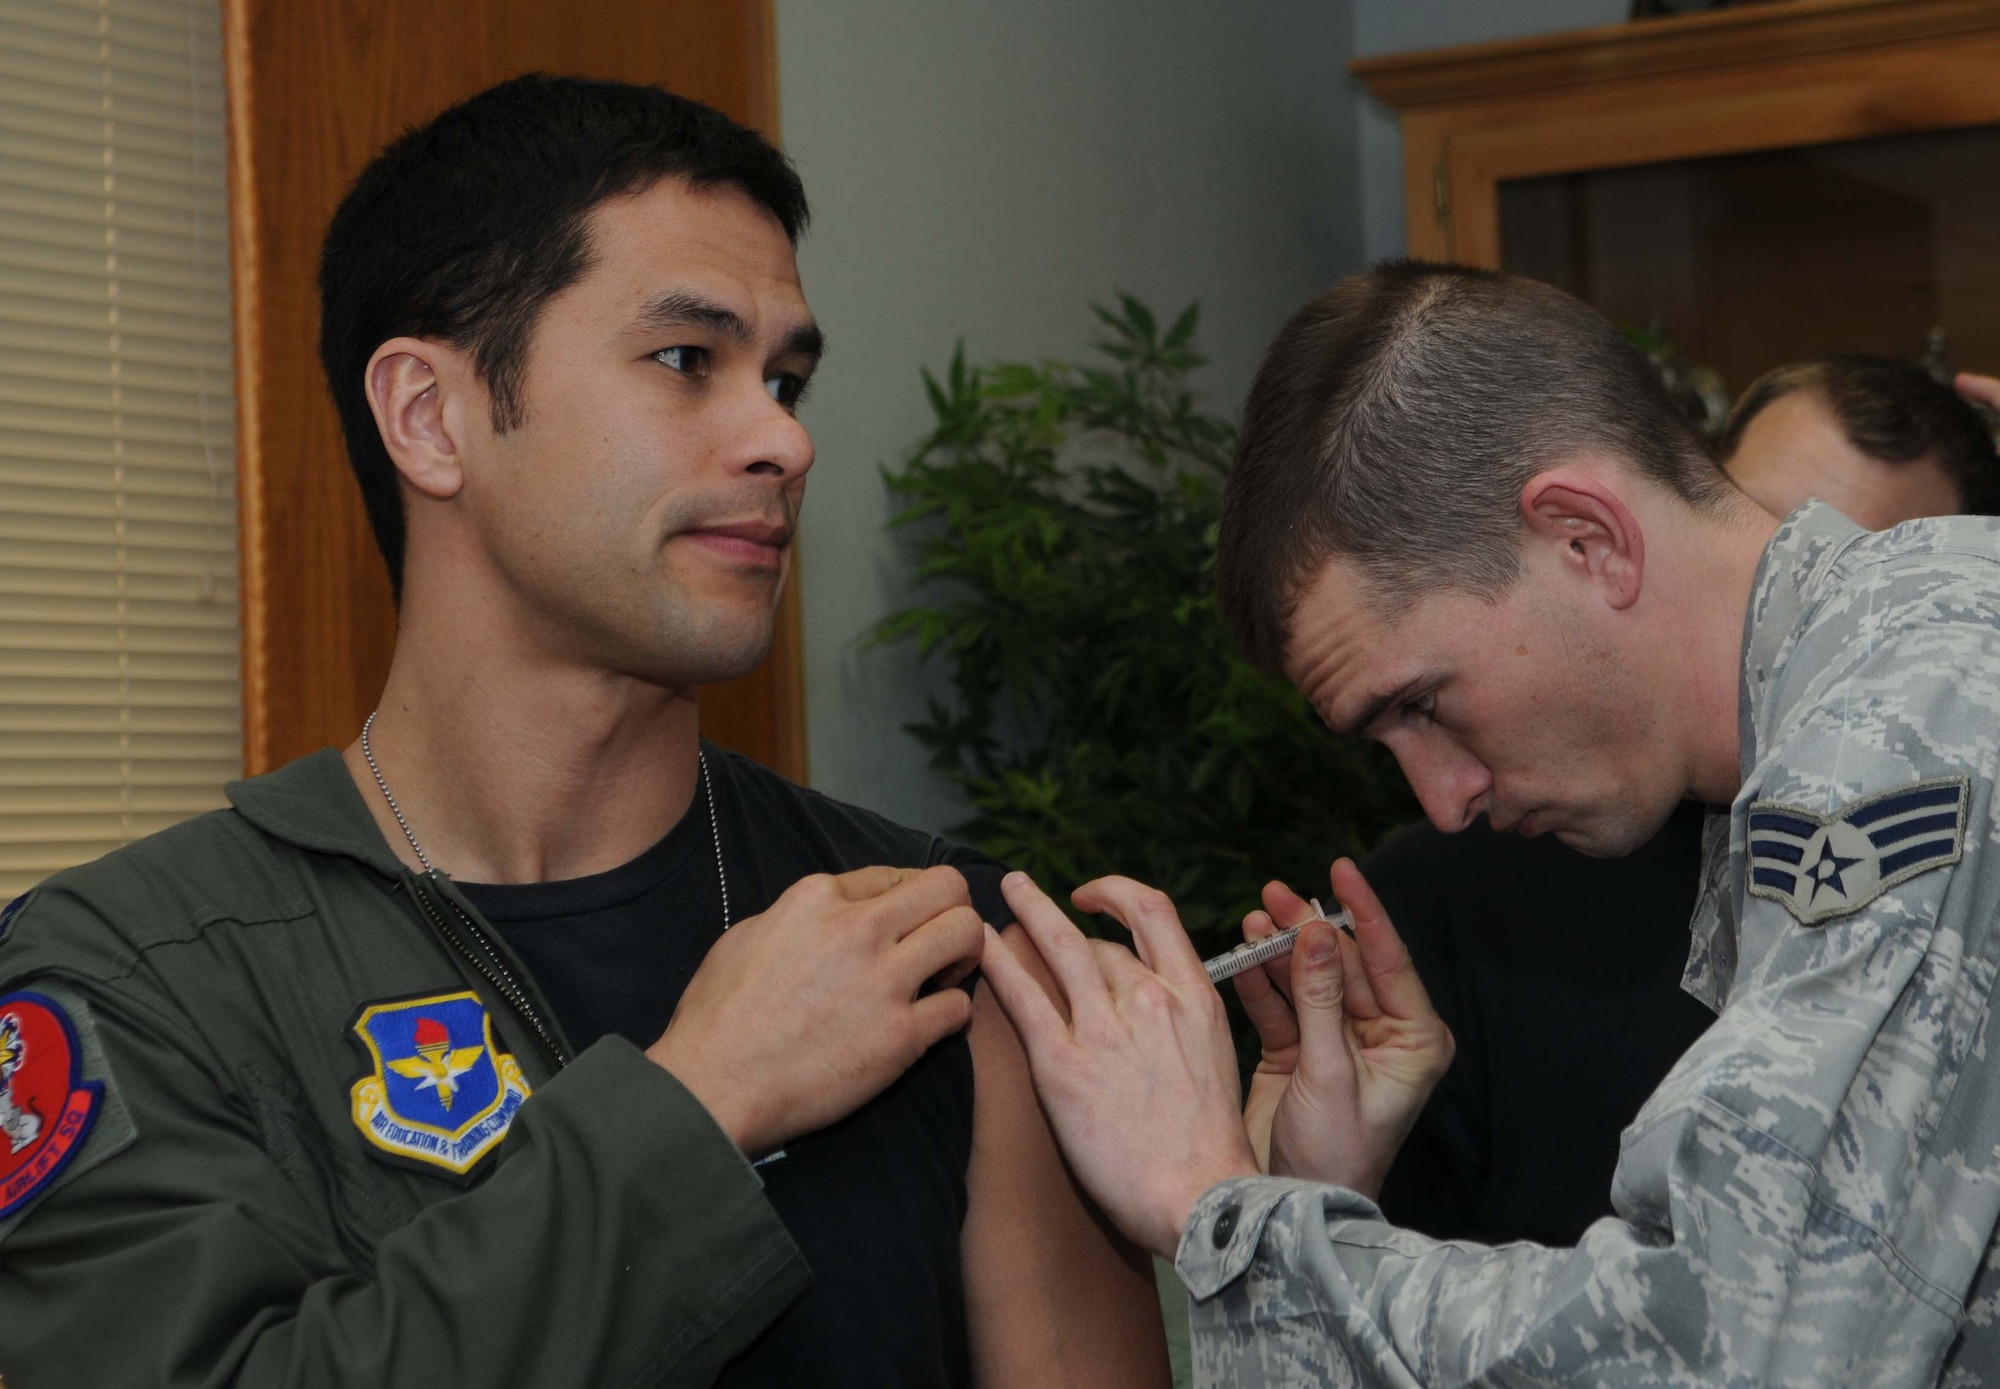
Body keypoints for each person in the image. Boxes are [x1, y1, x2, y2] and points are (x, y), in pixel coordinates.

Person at [0, 77, 1169, 1387]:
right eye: (687, 360)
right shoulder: (134, 977)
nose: (783, 437)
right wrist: (698, 1103)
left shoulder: (941, 943)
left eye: (787, 378)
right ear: (430, 417)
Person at [977, 260, 2000, 1385]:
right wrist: (1318, 1204)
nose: (1442, 803)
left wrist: (1225, 1214)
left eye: (1420, 704)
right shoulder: (1863, 690)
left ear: (1583, 537)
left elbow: (1746, 1346)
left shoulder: (1908, 713)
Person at [1372, 353, 2000, 1248]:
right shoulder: (1451, 888)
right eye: (1783, 543)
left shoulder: (1951, 866)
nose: (1812, 609)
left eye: (1869, 576)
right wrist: (1290, 1194)